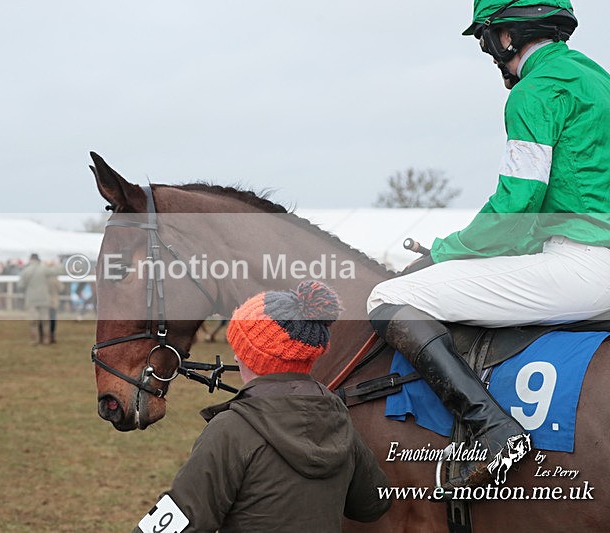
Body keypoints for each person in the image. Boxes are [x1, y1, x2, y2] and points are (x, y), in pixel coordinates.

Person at [367, 0, 610, 488]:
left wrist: (443, 250)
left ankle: (494, 430)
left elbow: (517, 206)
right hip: (584, 257)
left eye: (485, 39)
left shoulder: (534, 91)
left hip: (583, 266)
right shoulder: (597, 80)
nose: (488, 51)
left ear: (504, 37)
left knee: (387, 297)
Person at [135, 281, 390, 532]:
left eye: (240, 349)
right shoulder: (338, 417)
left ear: (254, 357)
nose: (235, 356)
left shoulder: (232, 429)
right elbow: (373, 503)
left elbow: (181, 518)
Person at [18, 253, 56, 345]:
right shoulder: (44, 269)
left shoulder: (26, 271)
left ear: (30, 260)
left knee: (33, 321)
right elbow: (54, 272)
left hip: (31, 299)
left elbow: (20, 285)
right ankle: (46, 340)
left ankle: (34, 340)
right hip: (44, 298)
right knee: (45, 321)